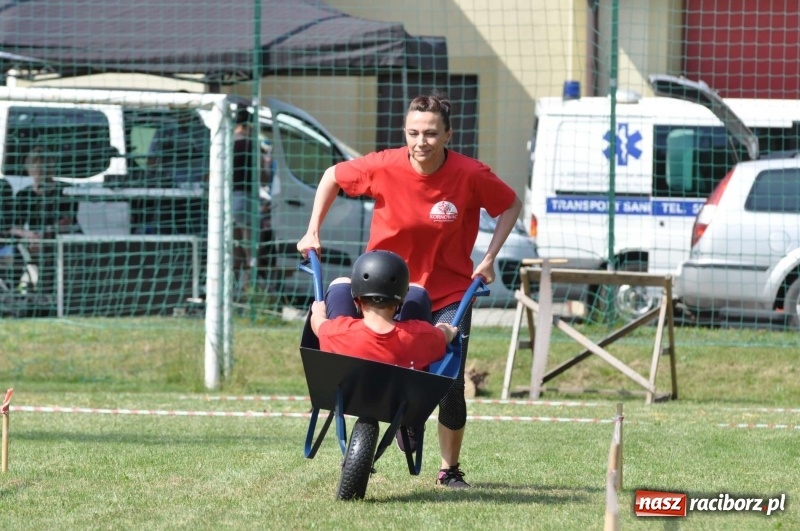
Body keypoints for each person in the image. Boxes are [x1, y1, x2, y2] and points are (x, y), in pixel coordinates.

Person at [297, 92, 522, 488]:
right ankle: (390, 430)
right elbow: (333, 175)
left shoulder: (469, 175)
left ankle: (449, 469)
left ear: (448, 135)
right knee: (373, 367)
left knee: (449, 382)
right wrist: (312, 228)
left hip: (449, 293)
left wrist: (489, 258)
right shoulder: (383, 166)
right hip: (384, 292)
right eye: (413, 133)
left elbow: (510, 204)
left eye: (432, 134)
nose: (421, 142)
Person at [310, 250, 457, 370]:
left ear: (357, 299)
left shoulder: (337, 332)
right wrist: (444, 329)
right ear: (399, 301)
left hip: (348, 401)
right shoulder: (423, 335)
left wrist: (318, 310)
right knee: (417, 292)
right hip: (404, 403)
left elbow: (317, 324)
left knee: (340, 284)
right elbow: (446, 335)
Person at [231, 107, 272, 284]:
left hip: (226, 200)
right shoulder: (252, 146)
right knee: (250, 250)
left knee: (234, 248)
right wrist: (267, 163)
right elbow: (263, 178)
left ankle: (232, 291)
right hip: (245, 198)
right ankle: (249, 288)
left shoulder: (225, 143)